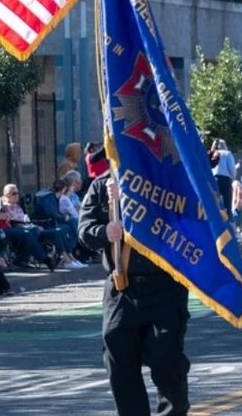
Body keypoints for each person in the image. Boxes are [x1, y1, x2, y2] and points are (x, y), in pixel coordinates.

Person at [78, 172, 190, 416]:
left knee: (167, 363)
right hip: (122, 287)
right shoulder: (103, 185)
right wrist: (105, 230)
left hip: (166, 286)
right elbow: (85, 231)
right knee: (121, 368)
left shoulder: (168, 180)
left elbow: (192, 222)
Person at [209, 139, 237, 210]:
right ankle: (227, 218)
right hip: (225, 180)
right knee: (227, 203)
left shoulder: (211, 154)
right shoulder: (227, 154)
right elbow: (232, 170)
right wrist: (232, 179)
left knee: (214, 202)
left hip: (213, 179)